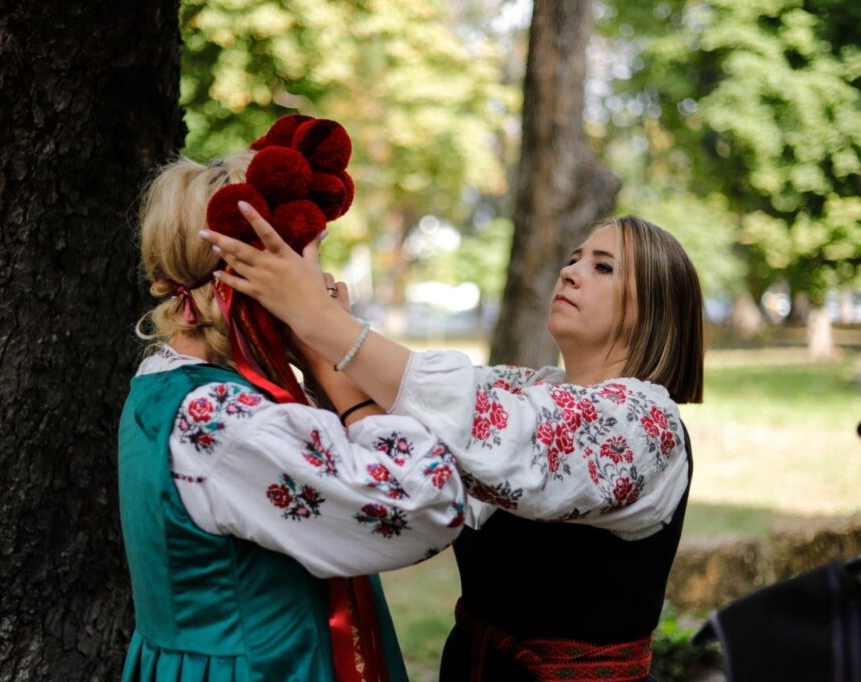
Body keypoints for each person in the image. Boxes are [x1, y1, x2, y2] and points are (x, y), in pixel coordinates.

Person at [204, 208, 705, 681]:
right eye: (574, 259)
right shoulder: (524, 388)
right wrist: (322, 332)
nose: (570, 272)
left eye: (603, 267)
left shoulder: (645, 424)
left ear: (654, 308)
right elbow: (415, 416)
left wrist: (325, 326)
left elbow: (493, 431)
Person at [118, 151, 470, 682]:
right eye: (308, 265)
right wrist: (335, 368)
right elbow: (427, 505)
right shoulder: (226, 420)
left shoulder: (167, 381)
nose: (323, 283)